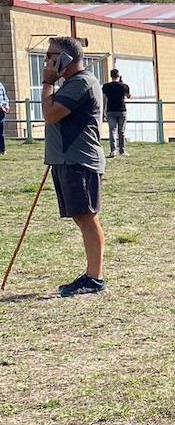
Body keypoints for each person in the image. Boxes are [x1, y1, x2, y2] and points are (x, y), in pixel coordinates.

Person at [41, 37, 107, 296]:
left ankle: (95, 278)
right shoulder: (72, 84)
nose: (47, 61)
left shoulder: (81, 83)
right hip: (66, 160)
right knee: (82, 218)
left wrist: (47, 83)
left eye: (51, 56)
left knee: (87, 218)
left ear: (66, 58)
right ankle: (93, 275)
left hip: (79, 161)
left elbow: (50, 114)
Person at [102, 68, 132, 157]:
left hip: (110, 110)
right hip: (121, 110)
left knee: (112, 131)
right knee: (121, 131)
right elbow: (129, 96)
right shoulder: (124, 86)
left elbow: (104, 99)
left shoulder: (106, 86)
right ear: (118, 75)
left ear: (111, 76)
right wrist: (122, 83)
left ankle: (113, 150)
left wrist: (103, 111)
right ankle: (122, 150)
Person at [0, 78, 9, 155]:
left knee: (1, 132)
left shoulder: (1, 85)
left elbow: (5, 97)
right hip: (1, 109)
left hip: (1, 111)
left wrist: (7, 106)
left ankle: (2, 149)